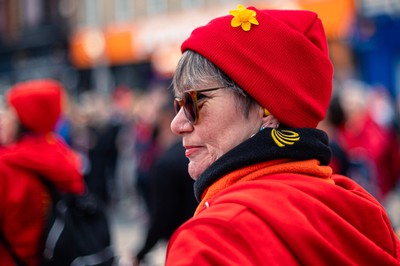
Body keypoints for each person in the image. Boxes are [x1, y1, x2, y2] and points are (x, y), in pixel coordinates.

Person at [166, 5, 400, 265]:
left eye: (192, 102)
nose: (177, 124)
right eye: (178, 104)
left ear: (264, 107)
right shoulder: (360, 209)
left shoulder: (213, 240)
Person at [0, 79, 85, 266]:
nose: (2, 119)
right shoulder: (64, 156)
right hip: (56, 257)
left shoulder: (6, 167)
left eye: (8, 111)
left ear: (25, 117)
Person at [132, 97, 197, 265]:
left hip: (184, 245)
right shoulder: (185, 157)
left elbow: (162, 217)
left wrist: (141, 252)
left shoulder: (166, 164)